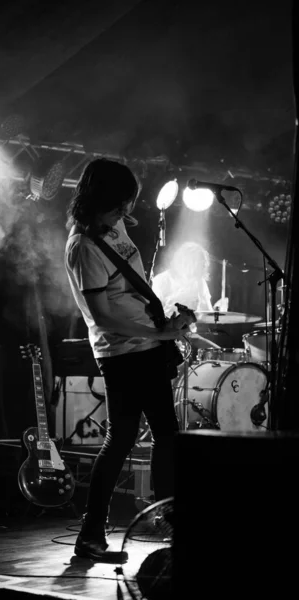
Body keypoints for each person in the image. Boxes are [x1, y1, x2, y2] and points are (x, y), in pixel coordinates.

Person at [65, 158, 195, 560]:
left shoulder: (114, 225)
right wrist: (159, 332)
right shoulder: (84, 246)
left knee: (165, 436)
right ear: (97, 199)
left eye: (128, 204)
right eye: (119, 204)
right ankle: (92, 535)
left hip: (147, 346)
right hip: (122, 353)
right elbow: (103, 315)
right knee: (121, 439)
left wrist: (165, 320)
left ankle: (166, 521)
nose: (126, 212)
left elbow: (128, 289)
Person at [152, 242, 221, 353]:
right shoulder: (160, 281)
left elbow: (207, 314)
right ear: (185, 262)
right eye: (198, 264)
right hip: (165, 337)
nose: (201, 268)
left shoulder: (199, 282)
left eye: (202, 265)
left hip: (190, 336)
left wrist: (218, 311)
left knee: (219, 354)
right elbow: (153, 318)